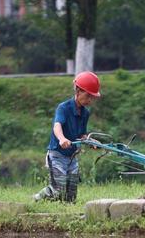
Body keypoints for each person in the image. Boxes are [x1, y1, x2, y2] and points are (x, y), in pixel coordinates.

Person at [34, 71, 101, 203]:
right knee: (58, 190)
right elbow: (57, 126)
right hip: (58, 155)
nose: (90, 100)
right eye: (88, 95)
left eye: (92, 97)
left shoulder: (85, 113)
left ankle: (64, 210)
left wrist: (90, 140)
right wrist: (62, 139)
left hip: (72, 157)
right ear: (78, 91)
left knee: (71, 197)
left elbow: (81, 134)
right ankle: (37, 198)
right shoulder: (63, 108)